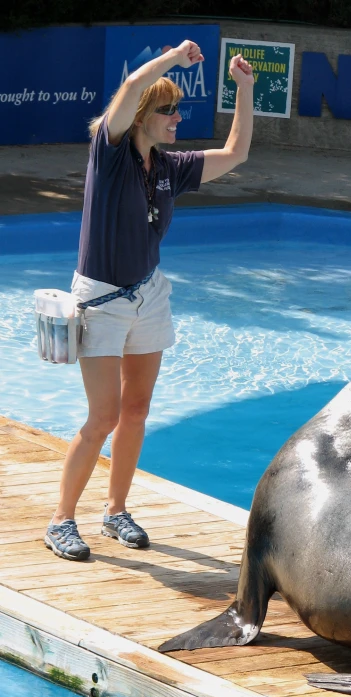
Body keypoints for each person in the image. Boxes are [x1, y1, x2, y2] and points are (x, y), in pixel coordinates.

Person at [44, 40, 254, 561]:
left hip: (149, 295)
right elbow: (134, 86)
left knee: (136, 409)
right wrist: (172, 59)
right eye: (168, 110)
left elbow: (236, 154)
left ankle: (116, 510)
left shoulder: (168, 166)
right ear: (140, 117)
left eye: (180, 109)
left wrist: (245, 90)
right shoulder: (109, 155)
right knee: (103, 416)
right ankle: (61, 520)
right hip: (102, 300)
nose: (178, 118)